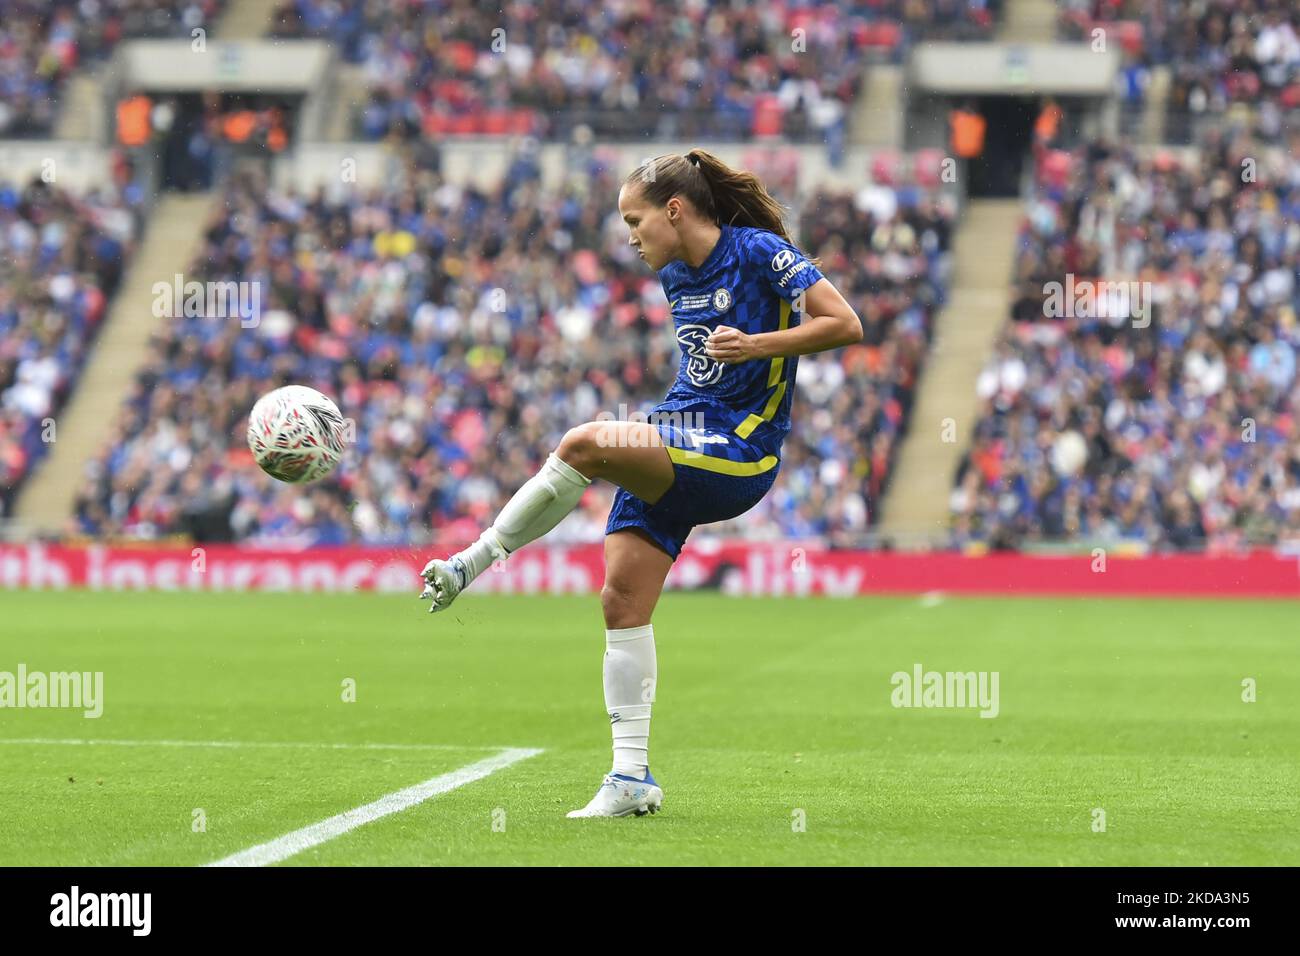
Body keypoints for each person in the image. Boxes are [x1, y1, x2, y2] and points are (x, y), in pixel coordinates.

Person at [419, 149, 863, 817]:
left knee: (586, 441)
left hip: (738, 449)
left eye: (635, 219)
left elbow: (845, 324)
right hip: (678, 432)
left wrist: (755, 345)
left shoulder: (760, 252)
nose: (629, 236)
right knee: (620, 602)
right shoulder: (675, 273)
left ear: (675, 211)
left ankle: (470, 562)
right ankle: (630, 780)